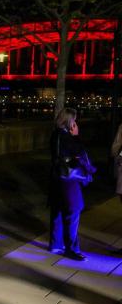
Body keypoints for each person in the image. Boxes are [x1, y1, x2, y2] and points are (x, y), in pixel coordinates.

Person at [49, 108, 96, 261]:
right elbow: (79, 151)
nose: (76, 123)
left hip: (57, 178)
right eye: (74, 120)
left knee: (58, 210)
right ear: (69, 121)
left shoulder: (55, 134)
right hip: (69, 179)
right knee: (74, 210)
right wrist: (76, 137)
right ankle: (71, 249)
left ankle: (56, 244)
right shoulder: (67, 137)